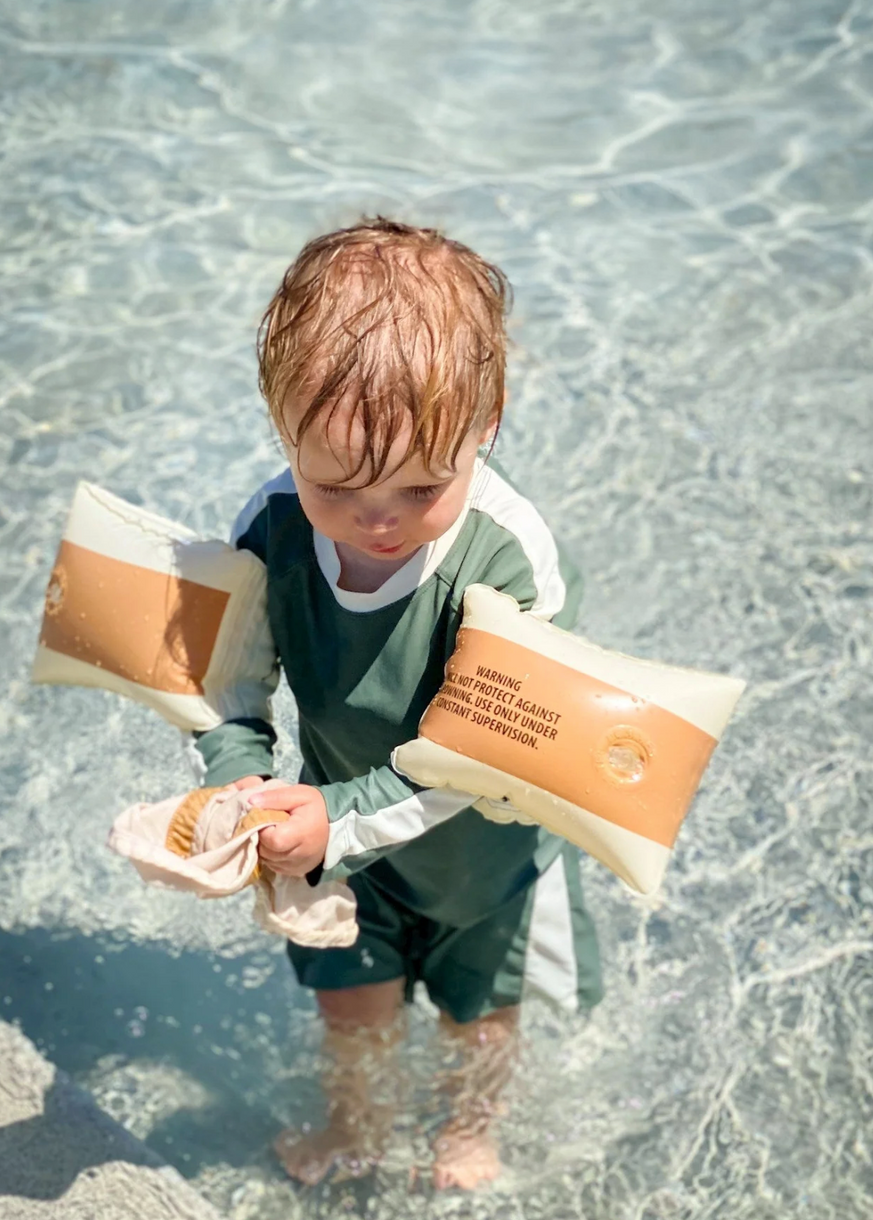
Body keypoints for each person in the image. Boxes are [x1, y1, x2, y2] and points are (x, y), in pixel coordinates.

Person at [191, 218, 603, 1191]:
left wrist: (332, 816)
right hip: (343, 847)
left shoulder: (515, 562)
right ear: (280, 428)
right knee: (351, 1004)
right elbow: (229, 668)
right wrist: (240, 775)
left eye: (422, 485)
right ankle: (356, 1122)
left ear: (488, 417)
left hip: (482, 857)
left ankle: (470, 1128)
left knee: (481, 1015)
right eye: (335, 483)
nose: (376, 519)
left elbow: (484, 754)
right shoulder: (271, 521)